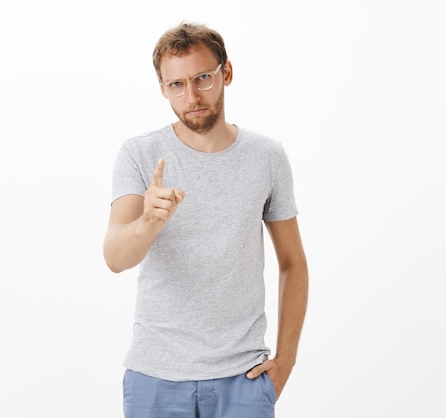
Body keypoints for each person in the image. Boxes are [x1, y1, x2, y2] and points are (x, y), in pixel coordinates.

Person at [103, 21, 308, 418]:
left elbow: (293, 263)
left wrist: (286, 361)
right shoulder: (139, 155)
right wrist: (148, 222)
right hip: (155, 377)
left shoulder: (267, 157)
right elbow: (115, 257)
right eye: (176, 84)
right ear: (163, 89)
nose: (192, 95)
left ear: (225, 73)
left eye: (202, 78)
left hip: (244, 378)